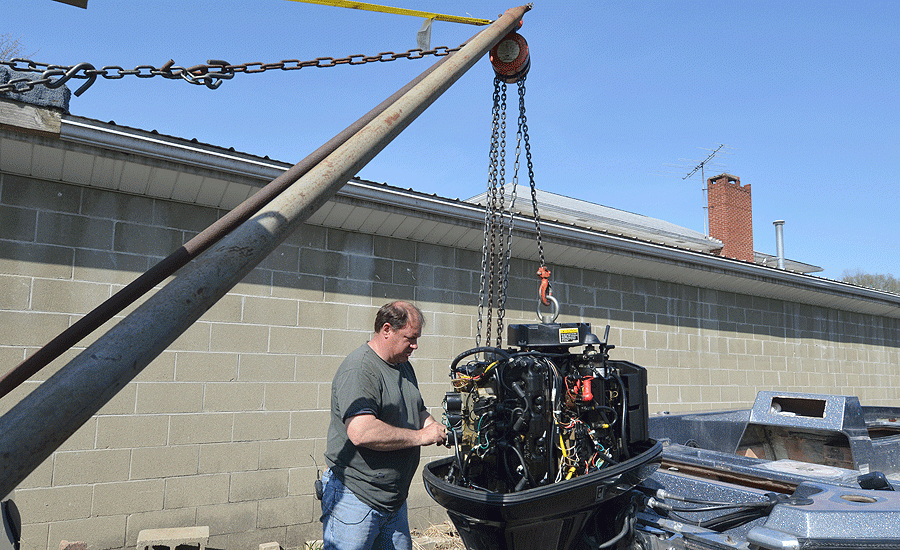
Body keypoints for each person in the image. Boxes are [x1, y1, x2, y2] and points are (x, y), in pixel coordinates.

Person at [321, 300, 447, 550]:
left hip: (393, 501)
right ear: (387, 329)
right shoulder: (360, 369)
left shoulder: (403, 366)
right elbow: (361, 431)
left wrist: (437, 429)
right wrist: (422, 436)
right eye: (410, 338)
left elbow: (417, 410)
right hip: (356, 498)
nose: (415, 345)